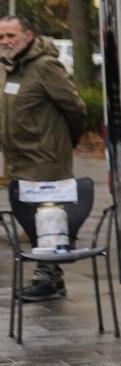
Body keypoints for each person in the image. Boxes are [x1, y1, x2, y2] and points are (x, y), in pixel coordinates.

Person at [0, 15, 88, 301]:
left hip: (45, 160)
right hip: (20, 161)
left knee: (48, 220)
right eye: (1, 37)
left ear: (28, 35)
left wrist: (64, 143)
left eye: (11, 35)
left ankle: (48, 278)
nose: (5, 42)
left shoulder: (44, 66)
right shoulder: (14, 69)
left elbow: (75, 108)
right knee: (31, 219)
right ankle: (49, 277)